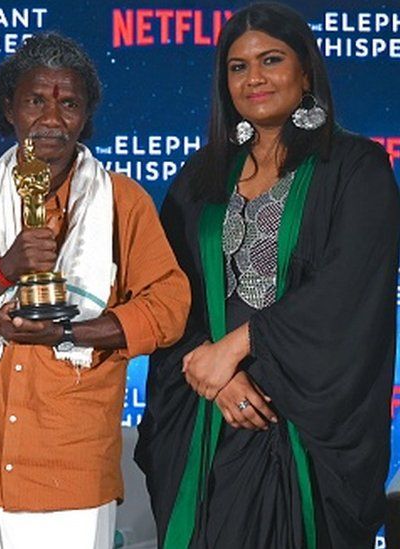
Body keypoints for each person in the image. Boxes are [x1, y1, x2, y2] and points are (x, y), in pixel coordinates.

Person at [134, 4, 400, 547]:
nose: (254, 78)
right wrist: (213, 370)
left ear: (306, 70)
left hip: (295, 418)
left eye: (271, 59)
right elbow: (167, 290)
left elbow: (352, 289)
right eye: (237, 67)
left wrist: (241, 344)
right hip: (208, 417)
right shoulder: (199, 177)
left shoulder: (356, 168)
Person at [0, 33, 190, 548]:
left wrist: (69, 331)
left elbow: (168, 308)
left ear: (85, 116)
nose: (52, 118)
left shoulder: (121, 200)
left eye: (69, 104)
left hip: (70, 465)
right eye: (35, 101)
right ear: (9, 108)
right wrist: (5, 269)